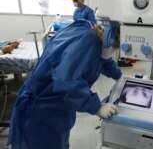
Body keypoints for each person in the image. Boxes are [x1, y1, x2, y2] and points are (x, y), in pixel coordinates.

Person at [8, 20, 122, 149]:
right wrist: (96, 107)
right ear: (112, 37)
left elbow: (102, 58)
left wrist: (119, 75)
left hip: (57, 106)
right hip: (44, 110)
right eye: (117, 45)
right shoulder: (87, 42)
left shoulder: (86, 29)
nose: (115, 49)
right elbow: (66, 81)